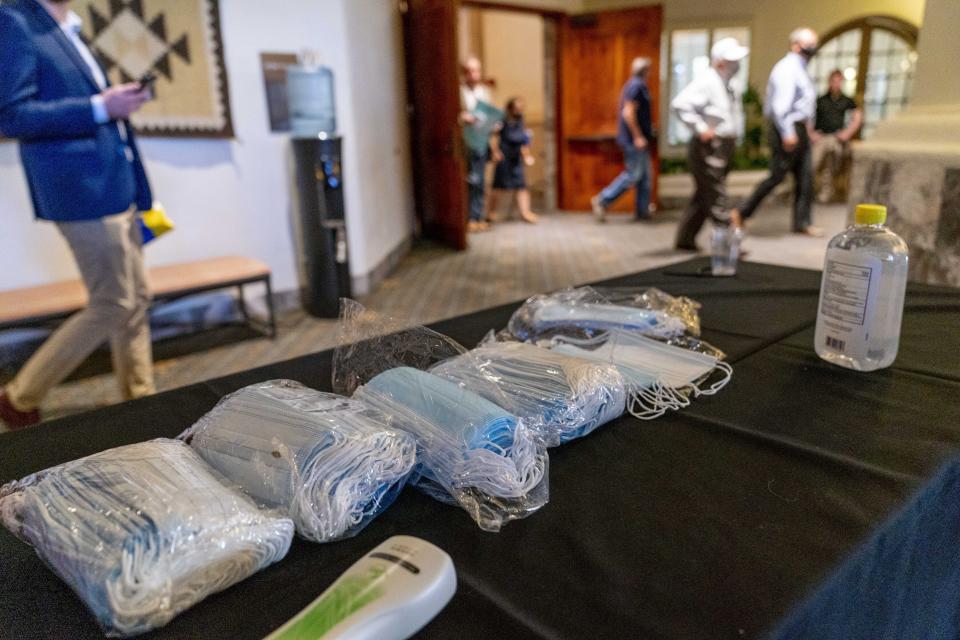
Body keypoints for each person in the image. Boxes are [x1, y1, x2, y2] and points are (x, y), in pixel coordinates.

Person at [0, 0, 156, 430]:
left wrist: (115, 104)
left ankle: (140, 398)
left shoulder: (68, 26)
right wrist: (100, 108)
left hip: (115, 184)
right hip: (82, 192)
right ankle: (19, 396)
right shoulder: (14, 19)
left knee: (137, 299)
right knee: (113, 302)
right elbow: (12, 115)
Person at [731, 27, 822, 237]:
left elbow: (804, 105)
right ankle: (741, 212)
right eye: (810, 43)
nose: (813, 48)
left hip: (799, 128)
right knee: (777, 176)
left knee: (805, 178)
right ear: (796, 45)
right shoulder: (787, 68)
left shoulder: (801, 68)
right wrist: (788, 132)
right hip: (786, 128)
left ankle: (802, 222)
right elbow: (782, 106)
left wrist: (807, 130)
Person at [671, 37, 750, 251]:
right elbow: (680, 104)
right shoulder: (707, 81)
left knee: (704, 195)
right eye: (731, 60)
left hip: (722, 146)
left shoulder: (727, 84)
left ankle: (685, 239)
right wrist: (700, 128)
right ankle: (726, 245)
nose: (737, 65)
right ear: (719, 62)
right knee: (716, 195)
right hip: (710, 147)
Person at [591, 57, 654, 223]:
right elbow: (628, 113)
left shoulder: (637, 85)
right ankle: (603, 199)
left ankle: (642, 211)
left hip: (639, 139)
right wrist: (638, 136)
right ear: (646, 70)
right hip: (635, 140)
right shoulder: (636, 86)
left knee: (645, 177)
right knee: (634, 174)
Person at [811, 69, 862, 203]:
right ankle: (808, 191)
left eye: (839, 81)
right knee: (813, 161)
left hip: (836, 138)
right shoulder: (820, 100)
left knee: (832, 154)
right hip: (821, 137)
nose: (836, 84)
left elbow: (857, 117)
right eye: (834, 81)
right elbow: (807, 118)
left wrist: (847, 133)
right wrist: (811, 134)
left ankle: (826, 191)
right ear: (829, 81)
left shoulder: (847, 101)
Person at [488, 97, 538, 225]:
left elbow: (523, 141)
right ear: (510, 108)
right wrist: (495, 151)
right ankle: (491, 213)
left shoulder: (520, 119)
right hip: (504, 156)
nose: (519, 110)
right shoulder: (502, 119)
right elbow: (494, 135)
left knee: (521, 186)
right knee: (498, 186)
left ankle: (525, 212)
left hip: (516, 158)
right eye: (517, 108)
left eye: (521, 108)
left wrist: (526, 156)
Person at [459, 56, 494, 233]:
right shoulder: (458, 92)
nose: (473, 75)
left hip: (481, 141)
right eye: (469, 71)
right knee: (469, 181)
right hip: (465, 142)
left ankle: (478, 216)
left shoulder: (484, 92)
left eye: (476, 71)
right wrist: (464, 117)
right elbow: (453, 115)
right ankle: (469, 217)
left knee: (480, 181)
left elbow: (488, 114)